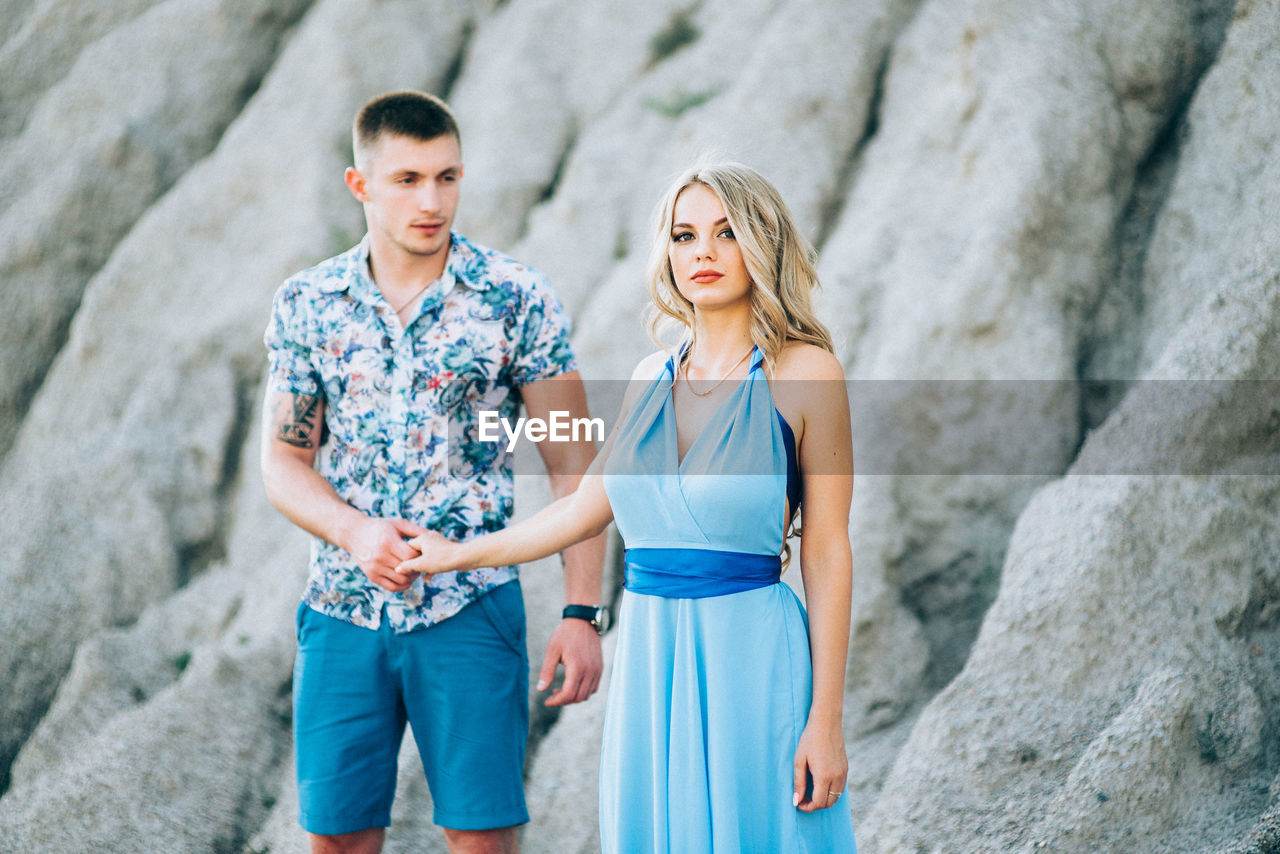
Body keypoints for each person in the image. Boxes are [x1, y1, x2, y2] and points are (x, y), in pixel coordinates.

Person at [399, 162, 858, 852]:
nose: (702, 252)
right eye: (684, 235)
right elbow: (584, 508)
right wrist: (454, 554)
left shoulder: (805, 372)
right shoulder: (650, 378)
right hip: (652, 660)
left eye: (726, 233)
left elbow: (826, 550)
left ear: (764, 244)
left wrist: (825, 719)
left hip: (754, 662)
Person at [259, 90, 607, 854]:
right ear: (361, 186)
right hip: (342, 612)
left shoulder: (516, 299)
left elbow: (573, 460)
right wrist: (354, 533)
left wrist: (583, 614)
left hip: (471, 612)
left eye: (448, 177)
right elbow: (284, 462)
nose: (433, 199)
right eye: (409, 179)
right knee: (337, 843)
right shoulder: (309, 305)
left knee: (482, 841)